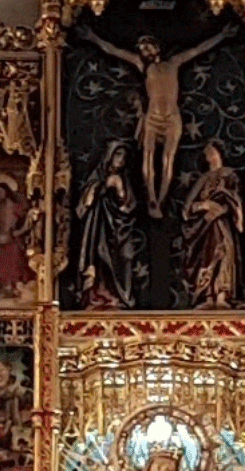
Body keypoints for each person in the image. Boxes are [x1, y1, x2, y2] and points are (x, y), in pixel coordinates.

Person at [79, 24, 234, 217]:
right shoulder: (143, 66)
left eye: (147, 47)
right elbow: (114, 51)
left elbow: (197, 50)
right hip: (153, 118)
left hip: (172, 119)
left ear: (157, 48)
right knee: (148, 158)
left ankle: (161, 200)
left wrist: (222, 35)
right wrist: (93, 37)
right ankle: (151, 198)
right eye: (141, 49)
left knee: (168, 160)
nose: (144, 51)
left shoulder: (173, 63)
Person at [76, 142, 143, 308]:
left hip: (119, 229)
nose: (121, 160)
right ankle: (98, 294)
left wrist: (120, 190)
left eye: (124, 157)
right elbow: (85, 204)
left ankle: (119, 296)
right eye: (118, 155)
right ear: (109, 156)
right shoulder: (97, 176)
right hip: (99, 228)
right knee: (100, 256)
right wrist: (105, 185)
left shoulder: (124, 179)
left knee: (125, 256)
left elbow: (129, 206)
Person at [181, 144, 245, 307]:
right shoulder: (203, 179)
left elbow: (236, 199)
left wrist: (223, 209)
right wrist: (204, 205)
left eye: (212, 152)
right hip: (204, 227)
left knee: (224, 252)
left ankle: (222, 294)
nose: (210, 156)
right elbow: (188, 208)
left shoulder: (229, 175)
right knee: (207, 256)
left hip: (223, 223)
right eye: (207, 154)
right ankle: (207, 295)